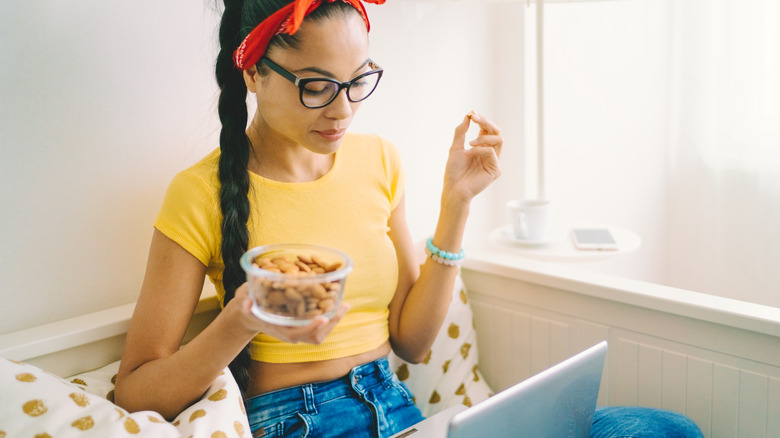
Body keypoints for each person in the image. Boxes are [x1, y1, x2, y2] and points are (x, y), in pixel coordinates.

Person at [114, 1, 703, 437]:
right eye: (318, 87)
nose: (343, 110)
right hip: (294, 419)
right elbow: (135, 389)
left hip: (395, 407)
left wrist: (457, 204)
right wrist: (246, 318)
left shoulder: (378, 160)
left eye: (357, 81)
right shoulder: (199, 193)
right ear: (252, 73)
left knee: (655, 429)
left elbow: (414, 343)